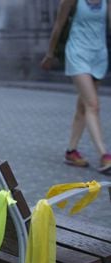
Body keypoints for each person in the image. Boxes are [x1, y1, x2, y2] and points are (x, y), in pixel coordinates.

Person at [41, 0, 111, 174]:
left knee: (83, 107)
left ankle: (71, 151)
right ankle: (104, 155)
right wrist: (50, 54)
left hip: (99, 55)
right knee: (93, 105)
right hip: (78, 53)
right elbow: (58, 26)